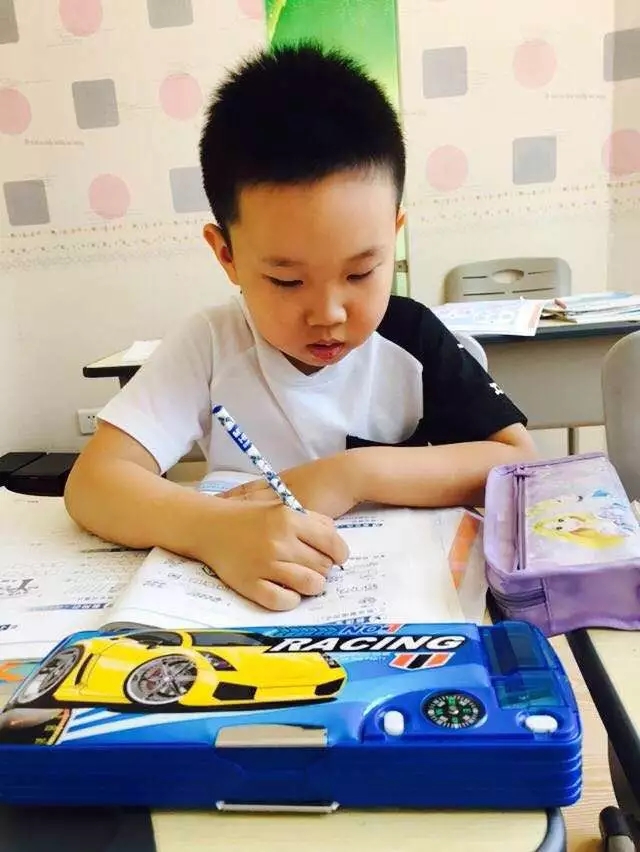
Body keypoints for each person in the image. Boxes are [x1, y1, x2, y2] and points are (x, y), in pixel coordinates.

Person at [65, 43, 537, 611]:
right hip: (249, 610)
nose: (328, 313)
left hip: (395, 608)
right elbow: (93, 484)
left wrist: (351, 476)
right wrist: (213, 530)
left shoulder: (410, 335)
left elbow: (517, 460)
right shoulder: (211, 344)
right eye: (287, 281)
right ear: (227, 255)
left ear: (394, 235)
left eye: (360, 272)